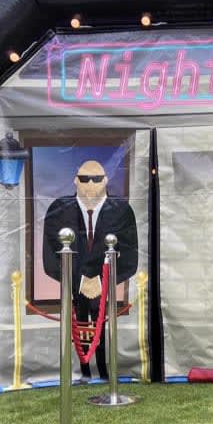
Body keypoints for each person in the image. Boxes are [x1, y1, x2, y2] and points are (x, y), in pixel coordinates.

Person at [43, 160, 138, 379]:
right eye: (85, 179)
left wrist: (102, 282)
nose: (91, 184)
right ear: (75, 181)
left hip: (104, 287)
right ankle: (82, 372)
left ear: (106, 180)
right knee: (77, 325)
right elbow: (49, 258)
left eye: (97, 179)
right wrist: (79, 282)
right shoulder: (58, 209)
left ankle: (105, 372)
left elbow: (130, 258)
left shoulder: (122, 210)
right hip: (73, 288)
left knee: (102, 325)